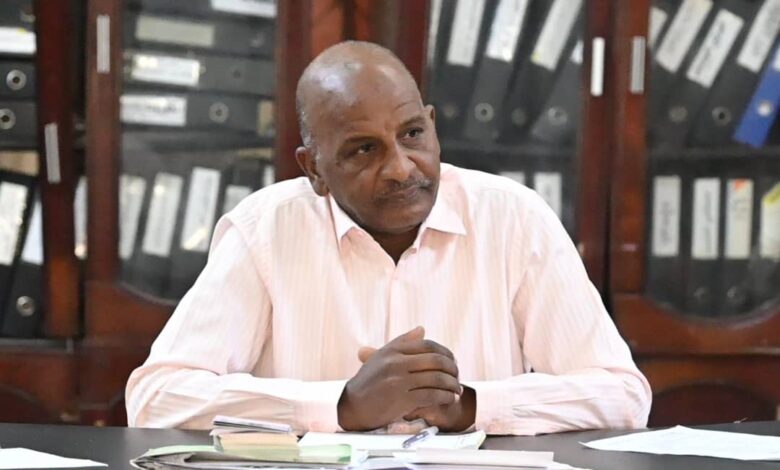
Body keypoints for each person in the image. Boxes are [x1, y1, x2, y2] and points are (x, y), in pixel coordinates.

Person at [126, 41, 651, 435]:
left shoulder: (513, 218)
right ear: (314, 169)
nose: (401, 168)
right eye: (363, 150)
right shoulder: (265, 229)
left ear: (433, 126)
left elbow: (622, 394)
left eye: (412, 135)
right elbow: (156, 396)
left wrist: (468, 405)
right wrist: (342, 406)